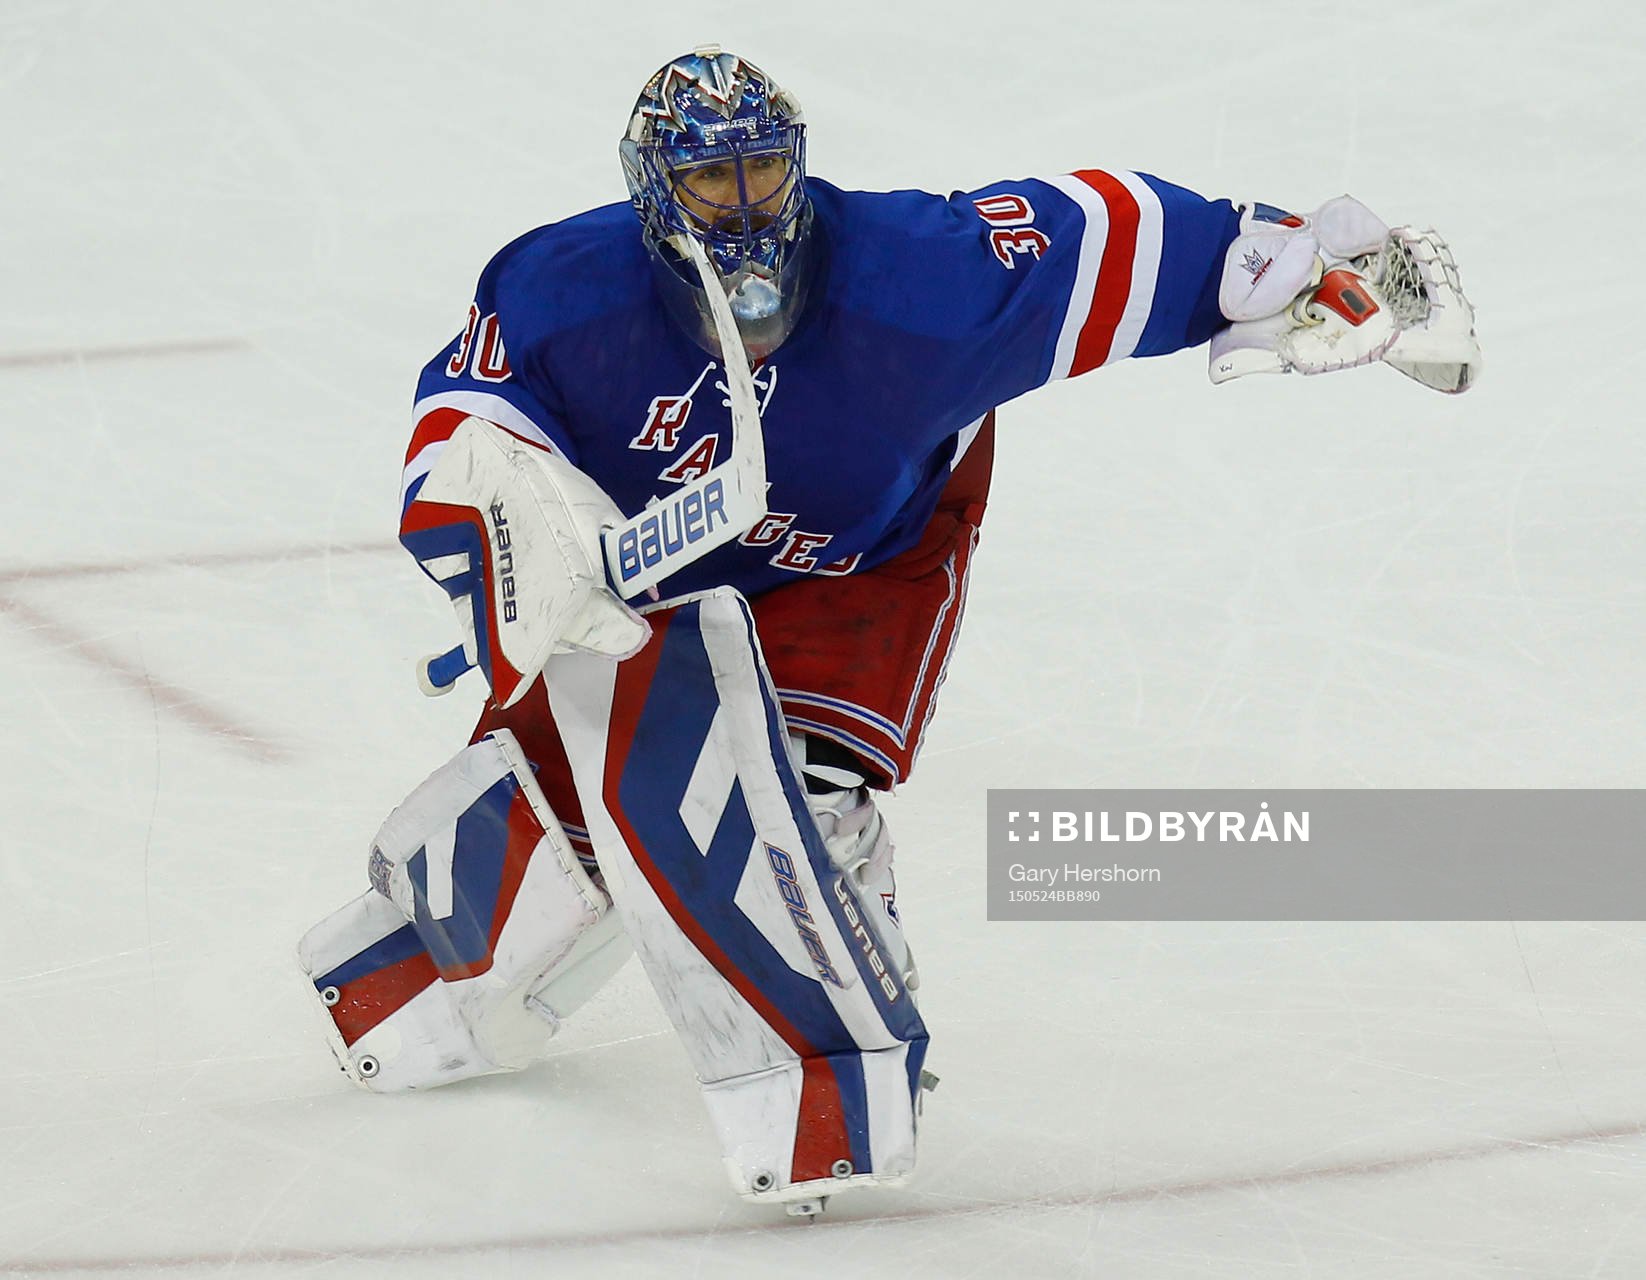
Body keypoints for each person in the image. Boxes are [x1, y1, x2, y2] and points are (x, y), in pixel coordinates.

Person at [299, 45, 1479, 1215]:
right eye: (713, 180)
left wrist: (1298, 263)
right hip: (639, 575)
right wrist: (512, 540)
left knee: (786, 797)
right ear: (652, 189)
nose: (747, 203)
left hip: (862, 554)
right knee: (578, 790)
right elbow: (462, 427)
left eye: (766, 170)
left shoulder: (922, 277)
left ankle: (837, 1048)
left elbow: (1113, 232)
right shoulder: (558, 288)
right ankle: (425, 968)